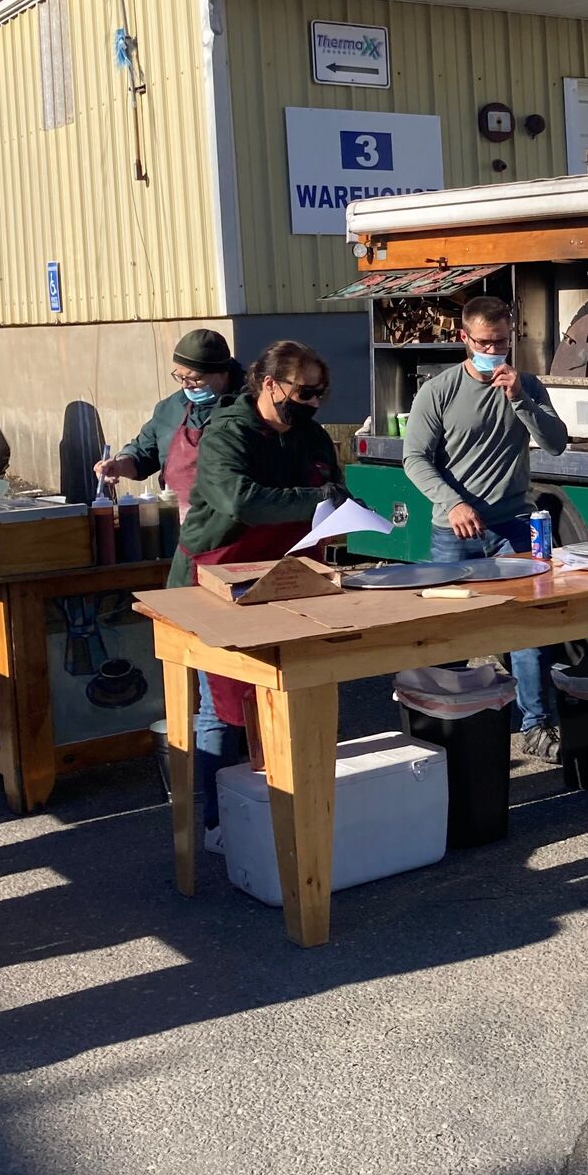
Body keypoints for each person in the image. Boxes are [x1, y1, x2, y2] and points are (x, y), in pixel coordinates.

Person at [172, 341, 346, 843]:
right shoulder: (228, 432)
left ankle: (292, 808)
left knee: (294, 691)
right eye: (305, 392)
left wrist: (339, 507)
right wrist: (317, 499)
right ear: (270, 384)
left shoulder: (312, 437)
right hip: (220, 573)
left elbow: (333, 489)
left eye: (321, 394)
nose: (312, 403)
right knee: (223, 706)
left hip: (292, 577)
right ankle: (217, 820)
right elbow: (240, 500)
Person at [403, 295, 570, 760]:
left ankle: (537, 725)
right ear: (464, 338)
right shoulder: (438, 392)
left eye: (501, 342)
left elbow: (556, 444)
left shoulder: (527, 385)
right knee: (450, 631)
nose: (493, 351)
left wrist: (520, 400)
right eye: (483, 342)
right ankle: (439, 727)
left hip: (512, 523)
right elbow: (414, 460)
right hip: (454, 530)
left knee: (529, 629)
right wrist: (451, 502)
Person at [92, 329, 242, 514]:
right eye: (180, 377)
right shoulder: (170, 409)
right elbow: (143, 452)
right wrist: (119, 465)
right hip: (178, 520)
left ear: (222, 373)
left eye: (195, 379)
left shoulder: (249, 407)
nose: (185, 385)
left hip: (232, 523)